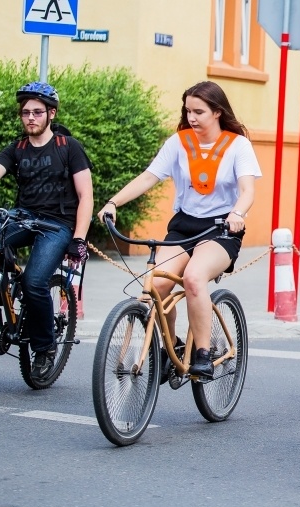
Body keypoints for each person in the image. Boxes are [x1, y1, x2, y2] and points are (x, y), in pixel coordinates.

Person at [97, 81, 261, 379]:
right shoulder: (179, 143)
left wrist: (238, 212)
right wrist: (113, 202)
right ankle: (171, 344)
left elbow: (247, 190)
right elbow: (149, 177)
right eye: (188, 111)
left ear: (217, 112)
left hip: (221, 229)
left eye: (199, 111)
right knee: (155, 287)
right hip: (184, 226)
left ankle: (203, 353)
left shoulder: (238, 146)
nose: (192, 117)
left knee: (193, 278)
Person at [0, 81, 94, 378]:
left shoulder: (70, 148)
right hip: (24, 215)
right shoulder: (17, 148)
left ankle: (44, 348)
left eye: (37, 112)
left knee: (35, 282)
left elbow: (86, 197)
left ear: (51, 114)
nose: (30, 117)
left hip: (57, 224)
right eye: (26, 113)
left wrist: (78, 238)